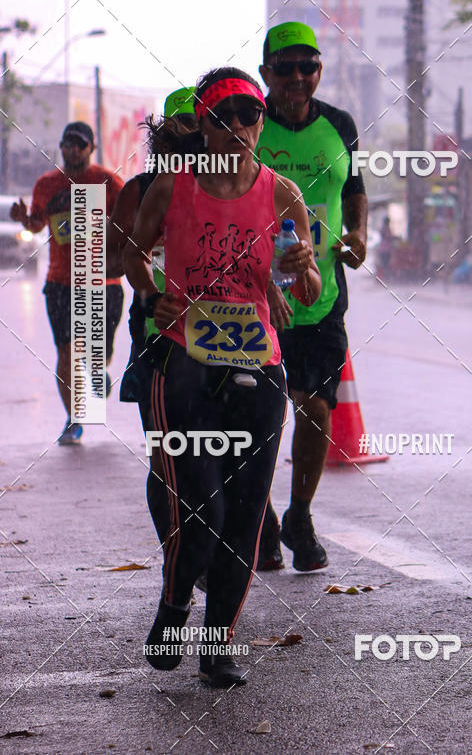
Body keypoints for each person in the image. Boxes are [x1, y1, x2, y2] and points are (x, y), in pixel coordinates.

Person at [123, 67, 320, 687]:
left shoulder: (283, 194)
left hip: (259, 367)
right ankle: (175, 603)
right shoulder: (173, 187)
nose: (238, 126)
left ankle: (217, 647)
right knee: (203, 509)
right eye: (223, 116)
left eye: (249, 114)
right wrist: (151, 292)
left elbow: (306, 288)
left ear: (261, 121)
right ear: (204, 126)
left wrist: (301, 268)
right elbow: (132, 252)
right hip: (185, 363)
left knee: (244, 517)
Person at [256, 21, 368, 572]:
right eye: (286, 68)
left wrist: (359, 234)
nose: (298, 77)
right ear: (265, 73)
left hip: (320, 296)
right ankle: (260, 520)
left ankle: (299, 514)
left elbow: (355, 189)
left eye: (309, 66)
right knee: (259, 416)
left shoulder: (340, 125)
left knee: (316, 407)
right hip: (252, 297)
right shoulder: (247, 124)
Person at [10, 121, 124, 445]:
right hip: (61, 283)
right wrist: (23, 219)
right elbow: (37, 224)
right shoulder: (47, 184)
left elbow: (131, 221)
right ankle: (74, 419)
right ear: (61, 147)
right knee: (66, 352)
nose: (73, 150)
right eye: (67, 143)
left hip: (103, 283)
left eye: (80, 144)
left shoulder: (109, 182)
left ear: (92, 148)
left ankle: (97, 368)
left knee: (98, 352)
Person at [106, 87, 197, 432]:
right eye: (180, 128)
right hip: (156, 328)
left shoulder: (231, 187)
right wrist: (142, 249)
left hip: (221, 330)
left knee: (217, 442)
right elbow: (109, 263)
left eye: (199, 129)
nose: (189, 140)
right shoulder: (140, 190)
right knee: (162, 441)